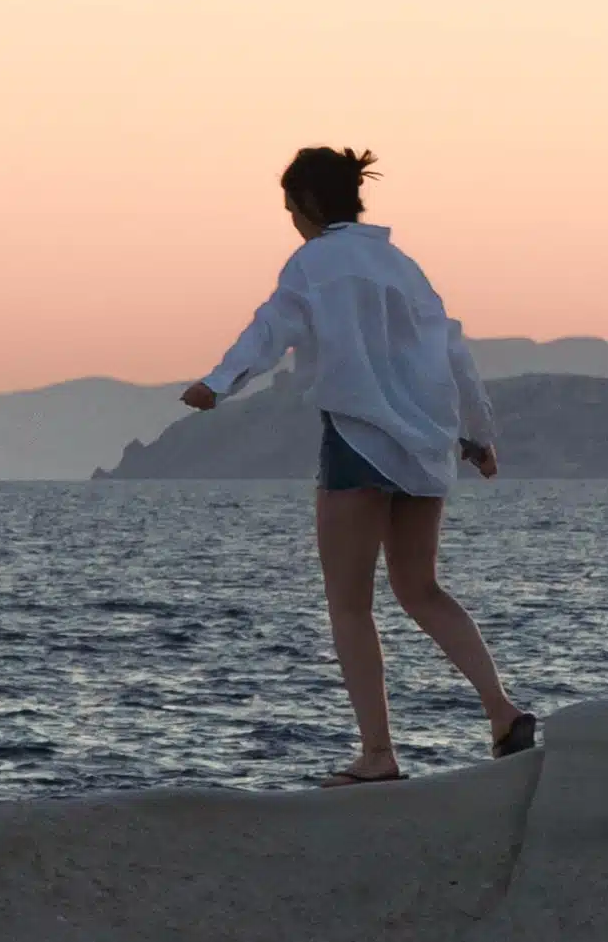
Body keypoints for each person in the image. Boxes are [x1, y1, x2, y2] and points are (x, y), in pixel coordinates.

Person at [178, 144, 534, 784]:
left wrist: (219, 381)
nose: (290, 218)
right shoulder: (403, 265)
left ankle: (377, 755)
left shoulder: (313, 263)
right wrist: (478, 436)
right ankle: (502, 711)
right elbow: (454, 351)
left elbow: (270, 329)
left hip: (358, 437)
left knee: (349, 602)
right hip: (426, 442)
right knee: (420, 588)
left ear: (308, 204)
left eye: (289, 206)